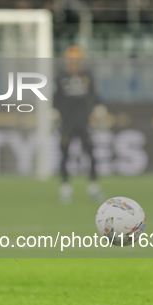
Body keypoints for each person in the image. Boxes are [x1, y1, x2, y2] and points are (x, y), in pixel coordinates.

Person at [54, 45, 106, 204]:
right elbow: (56, 98)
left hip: (84, 121)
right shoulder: (61, 77)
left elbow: (94, 96)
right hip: (67, 122)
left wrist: (98, 111)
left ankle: (93, 187)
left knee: (90, 153)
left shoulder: (87, 75)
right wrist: (55, 113)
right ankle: (65, 188)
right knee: (65, 154)